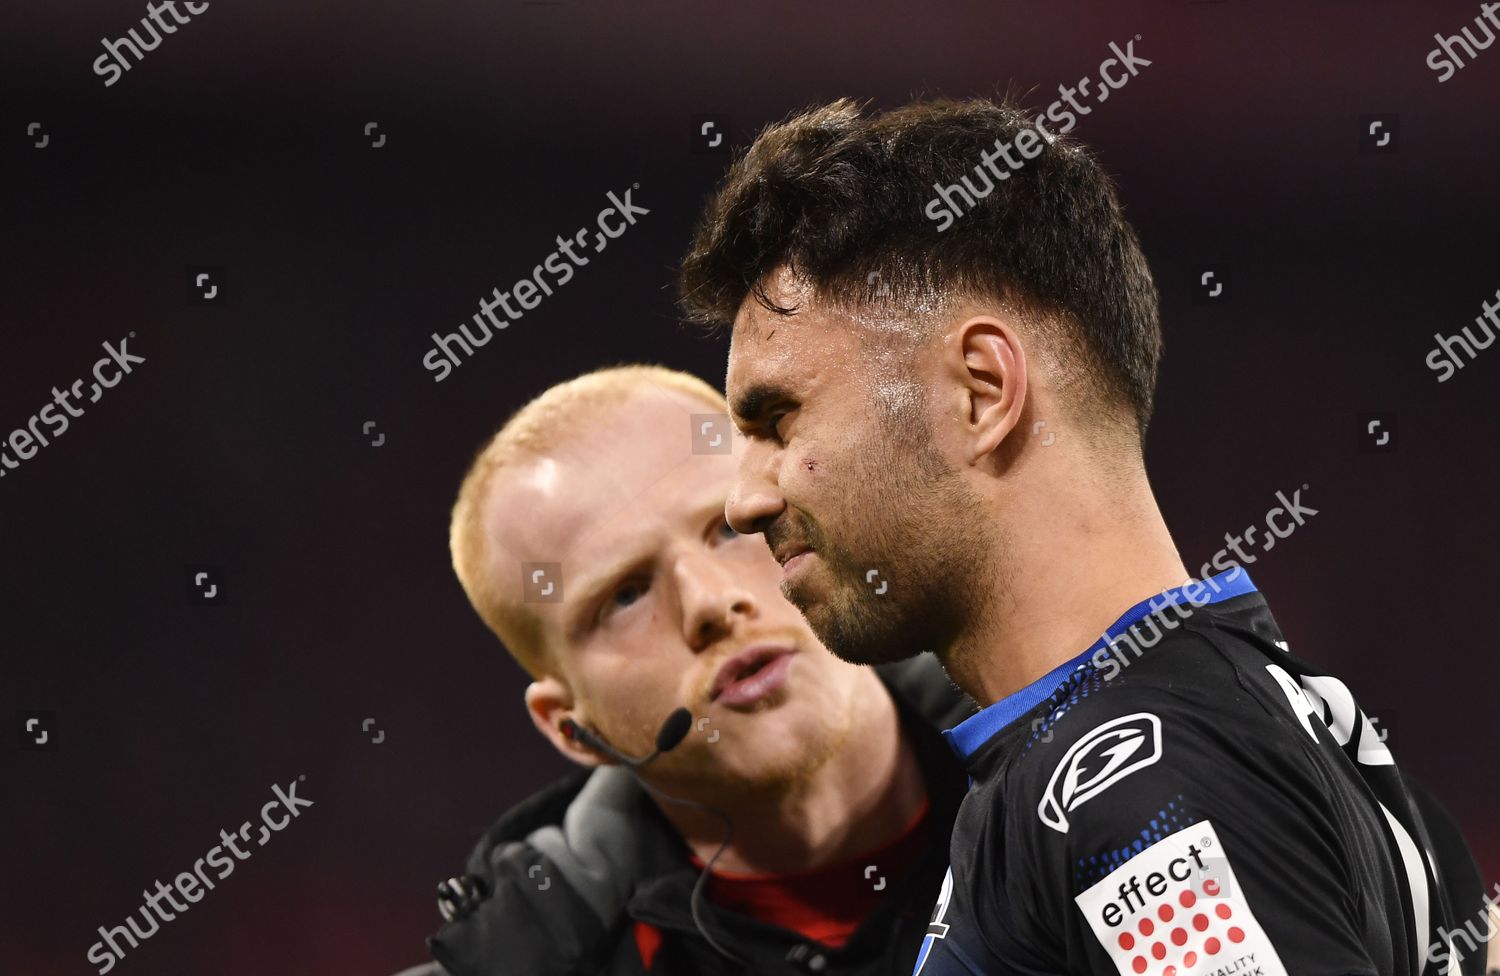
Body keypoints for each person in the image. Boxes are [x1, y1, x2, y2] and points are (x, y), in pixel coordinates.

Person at [680, 97, 1493, 975]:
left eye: (778, 419)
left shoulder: (1136, 794)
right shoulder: (1294, 736)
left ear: (982, 393)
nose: (744, 499)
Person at [393, 365, 973, 976]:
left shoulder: (1068, 743)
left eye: (728, 528)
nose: (712, 602)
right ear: (571, 729)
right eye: (625, 596)